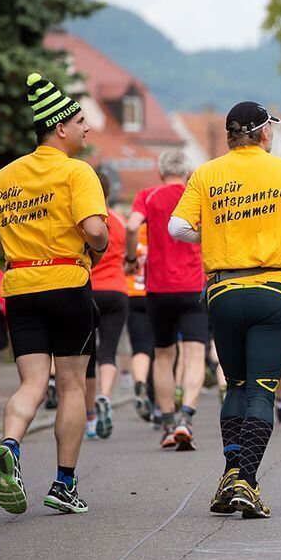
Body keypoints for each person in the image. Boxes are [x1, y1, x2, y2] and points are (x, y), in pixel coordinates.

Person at [170, 101, 281, 519]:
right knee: (261, 389)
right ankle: (247, 482)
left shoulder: (207, 173)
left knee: (235, 386)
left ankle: (229, 474)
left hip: (222, 291)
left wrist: (213, 234)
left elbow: (176, 227)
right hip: (272, 290)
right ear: (262, 133)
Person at [0, 73, 108, 514]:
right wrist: (100, 243)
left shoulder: (5, 175)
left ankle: (11, 446)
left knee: (32, 382)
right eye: (80, 121)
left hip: (20, 288)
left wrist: (17, 247)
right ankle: (64, 484)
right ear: (60, 128)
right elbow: (94, 229)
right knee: (71, 386)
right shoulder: (76, 171)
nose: (86, 128)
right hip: (67, 284)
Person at [125, 150, 206, 451]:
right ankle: (187, 417)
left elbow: (132, 226)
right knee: (195, 354)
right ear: (187, 172)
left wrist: (131, 257)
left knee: (163, 356)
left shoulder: (147, 195)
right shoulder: (196, 194)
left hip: (158, 289)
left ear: (160, 172)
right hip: (192, 285)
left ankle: (168, 423)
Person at [83, 170, 128, 440]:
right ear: (109, 193)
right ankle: (105, 396)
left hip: (87, 290)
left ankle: (89, 418)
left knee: (86, 356)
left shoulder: (85, 221)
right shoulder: (120, 220)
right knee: (109, 350)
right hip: (116, 290)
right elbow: (129, 251)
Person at [124, 223, 155, 421]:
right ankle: (158, 400)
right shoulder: (161, 233)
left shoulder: (133, 236)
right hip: (156, 294)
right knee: (161, 351)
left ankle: (140, 382)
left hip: (133, 295)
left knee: (140, 348)